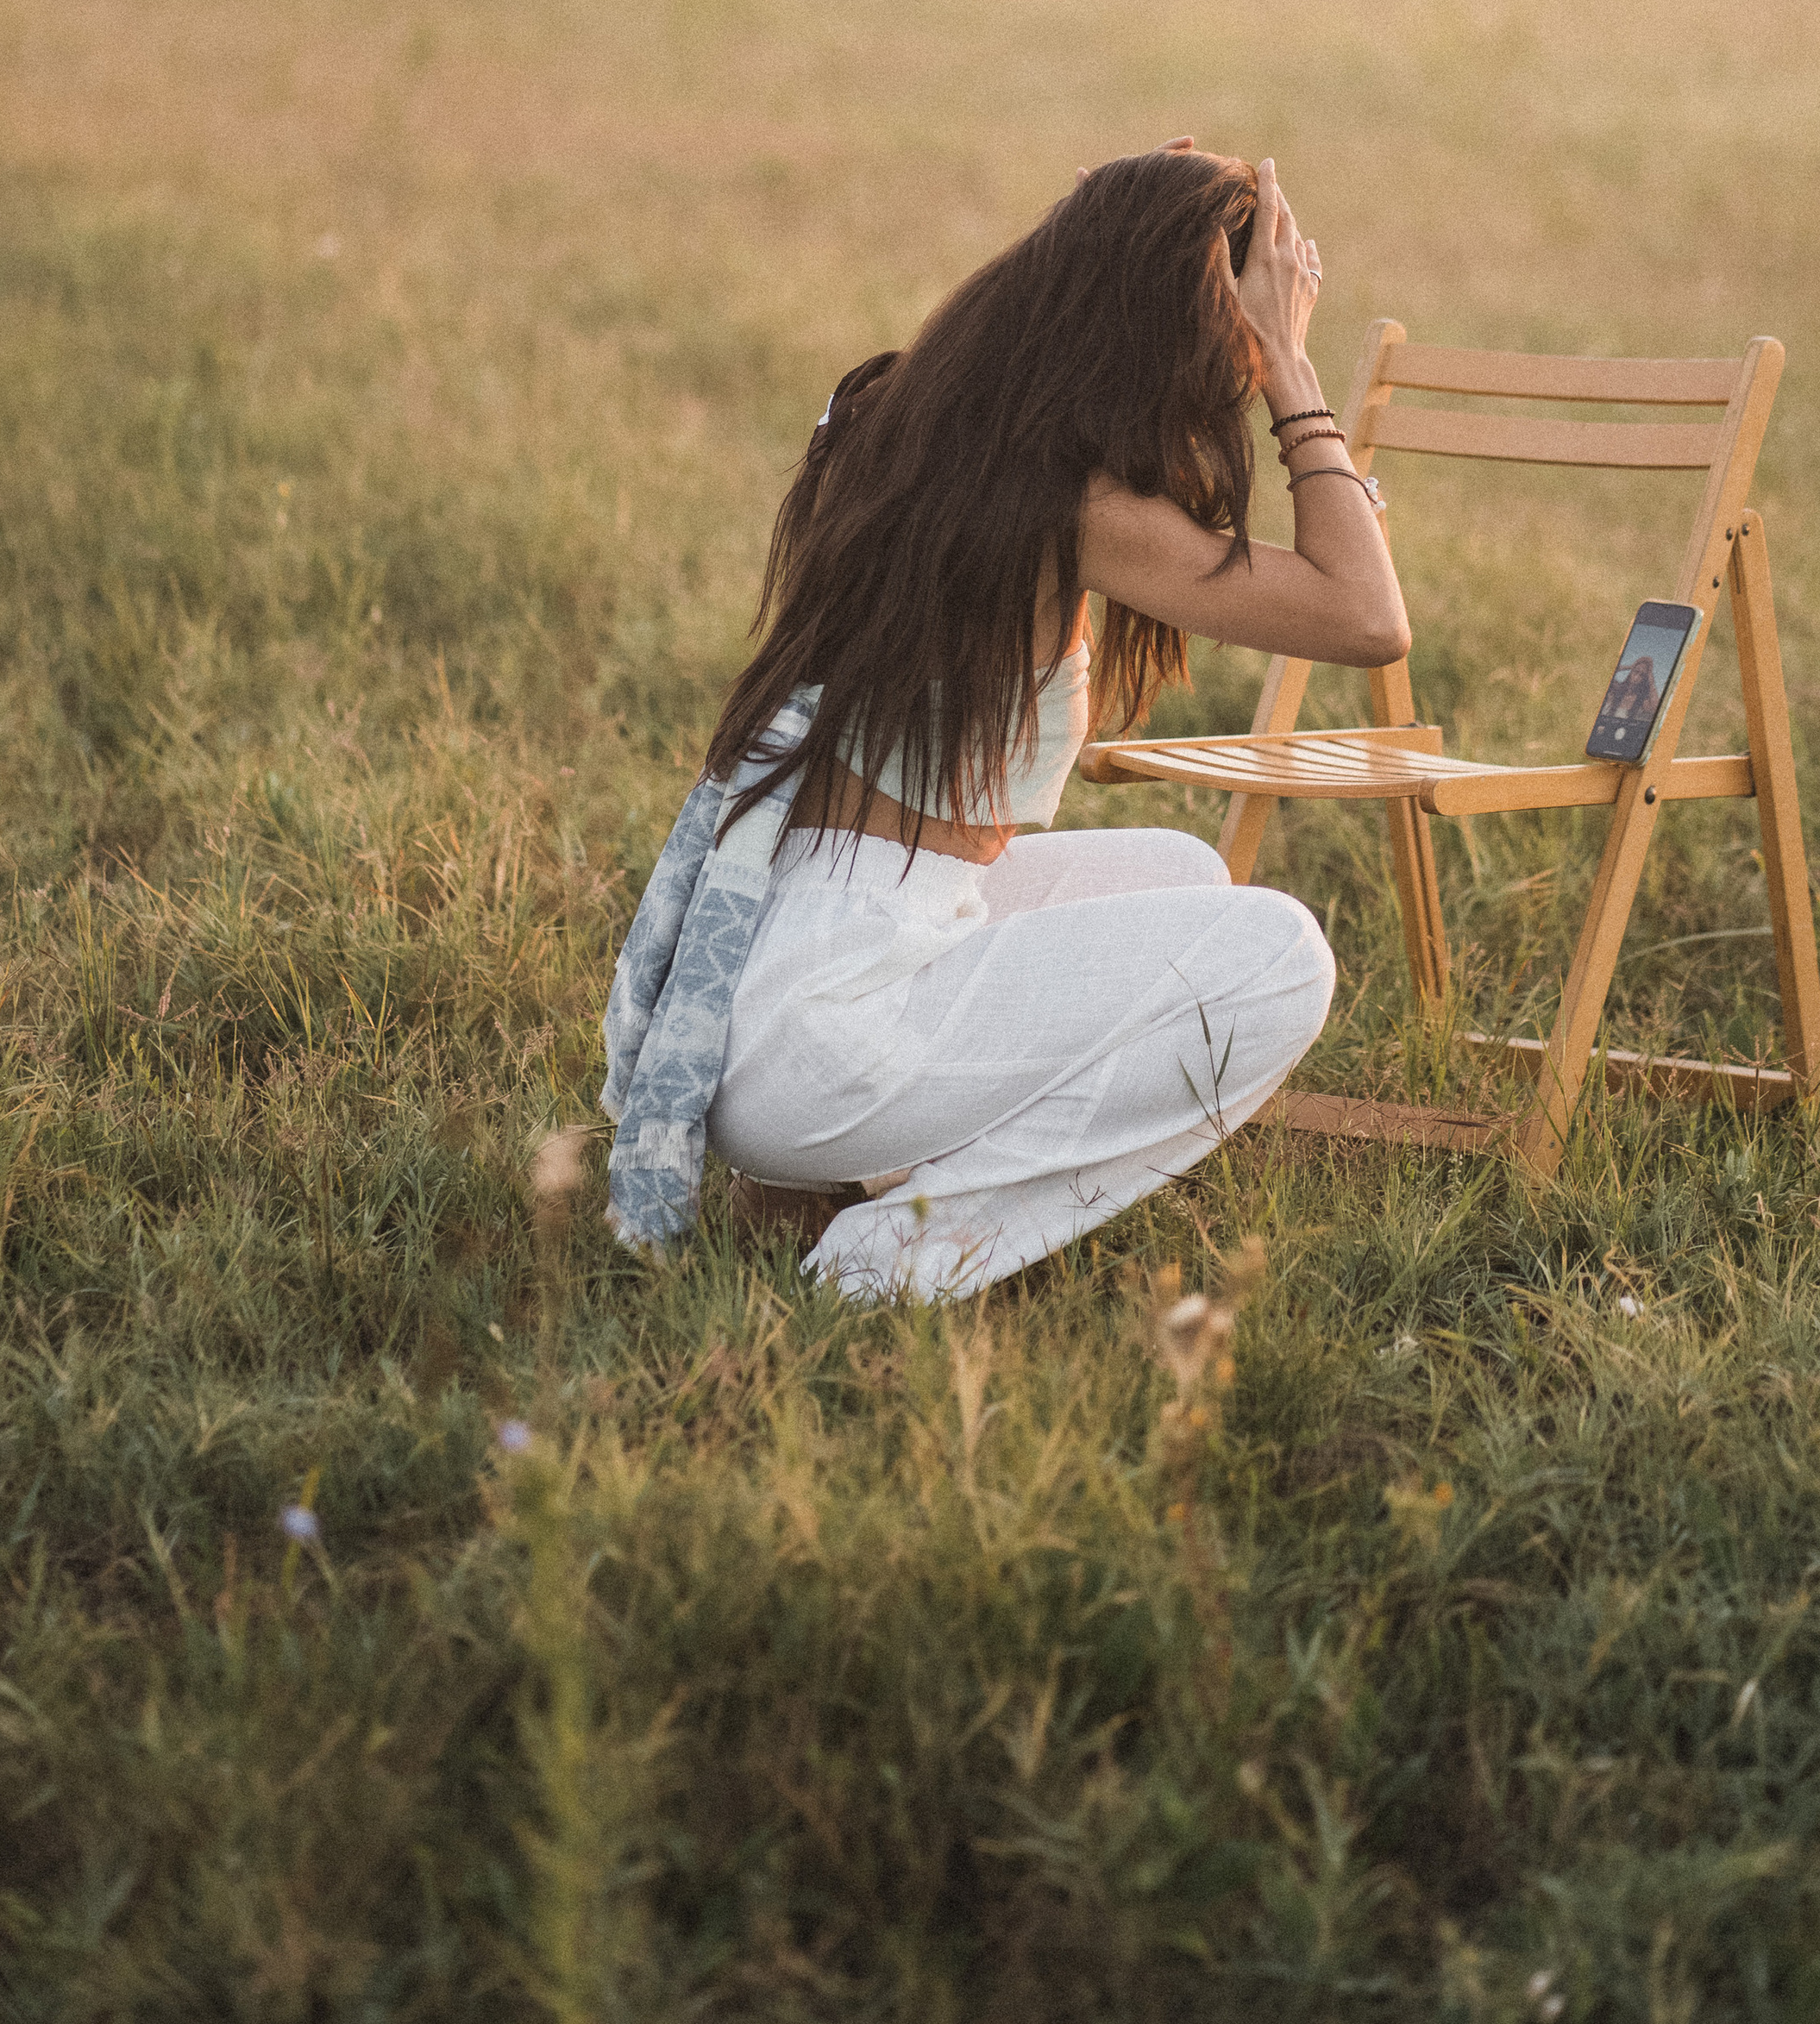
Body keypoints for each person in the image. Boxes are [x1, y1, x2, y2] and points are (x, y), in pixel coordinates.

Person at [599, 144, 1409, 1302]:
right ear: (1182, 324)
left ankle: (817, 1182)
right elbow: (1367, 616)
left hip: (783, 974)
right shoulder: (1075, 508)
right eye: (1240, 318)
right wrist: (1293, 367)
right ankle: (904, 1249)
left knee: (1182, 873)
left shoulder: (909, 416)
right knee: (1278, 961)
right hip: (832, 1028)